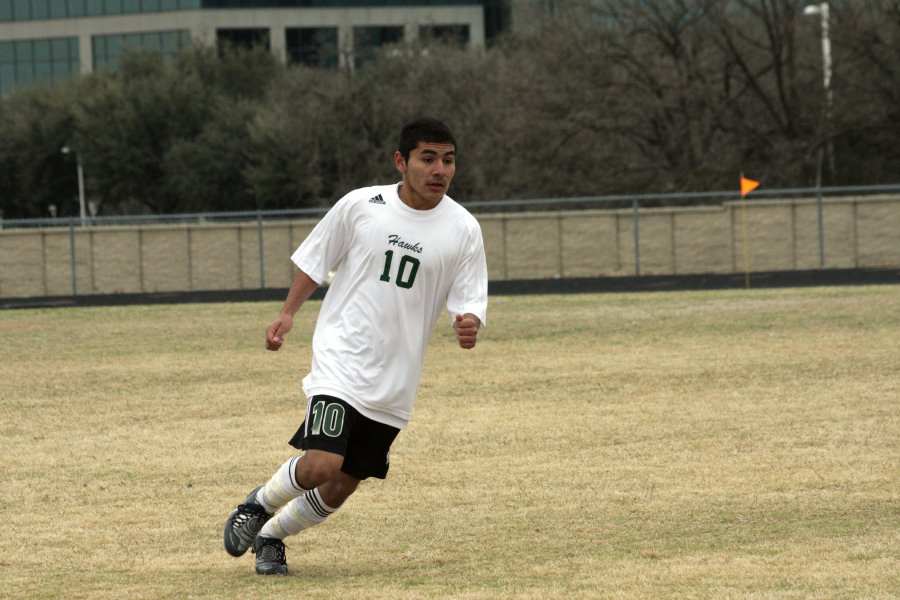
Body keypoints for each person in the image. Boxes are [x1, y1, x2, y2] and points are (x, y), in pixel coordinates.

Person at [223, 117, 488, 575]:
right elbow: (316, 258)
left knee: (343, 484)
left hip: (395, 381)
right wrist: (287, 313)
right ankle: (258, 505)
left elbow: (468, 299)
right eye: (428, 158)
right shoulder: (361, 205)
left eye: (448, 160)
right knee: (323, 462)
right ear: (401, 161)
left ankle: (272, 536)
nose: (439, 169)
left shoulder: (463, 228)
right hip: (341, 360)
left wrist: (469, 322)